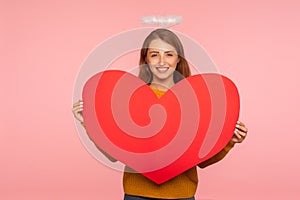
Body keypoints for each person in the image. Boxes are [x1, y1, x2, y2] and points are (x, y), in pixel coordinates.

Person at [72, 28, 248, 200]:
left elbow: (202, 160)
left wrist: (228, 142)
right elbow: (112, 155)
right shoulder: (129, 101)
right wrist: (88, 124)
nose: (162, 61)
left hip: (182, 196)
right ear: (146, 59)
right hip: (137, 195)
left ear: (178, 59)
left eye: (169, 54)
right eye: (155, 54)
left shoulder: (196, 102)